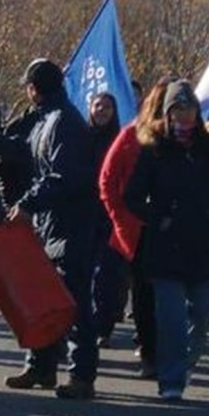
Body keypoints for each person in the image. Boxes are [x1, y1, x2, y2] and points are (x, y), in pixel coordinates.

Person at [0, 58, 99, 400]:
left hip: (70, 226)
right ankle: (41, 366)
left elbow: (63, 176)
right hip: (52, 226)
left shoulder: (65, 122)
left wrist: (29, 203)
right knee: (43, 298)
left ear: (34, 89)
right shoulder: (51, 118)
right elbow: (26, 151)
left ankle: (82, 374)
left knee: (73, 302)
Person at [124, 80, 209, 401]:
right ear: (168, 113)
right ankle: (171, 379)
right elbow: (132, 197)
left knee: (203, 313)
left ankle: (185, 361)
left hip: (202, 244)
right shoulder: (153, 149)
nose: (184, 116)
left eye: (189, 109)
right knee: (171, 318)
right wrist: (158, 218)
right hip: (166, 248)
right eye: (177, 110)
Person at [99, 77, 174, 380]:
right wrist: (122, 219)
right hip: (139, 228)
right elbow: (107, 180)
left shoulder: (187, 142)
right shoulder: (131, 135)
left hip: (177, 230)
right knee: (143, 294)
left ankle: (173, 348)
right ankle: (150, 352)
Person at [86, 92, 124, 348]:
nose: (102, 110)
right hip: (84, 216)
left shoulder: (120, 141)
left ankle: (103, 327)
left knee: (106, 276)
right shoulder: (81, 138)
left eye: (108, 106)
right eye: (98, 105)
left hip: (111, 218)